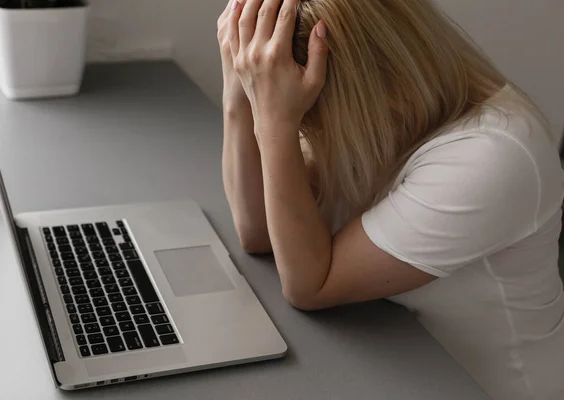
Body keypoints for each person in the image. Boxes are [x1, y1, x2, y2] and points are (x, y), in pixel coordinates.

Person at [217, 0, 564, 398]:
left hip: (483, 387)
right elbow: (257, 231)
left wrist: (275, 121)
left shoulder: (496, 157)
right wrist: (239, 89)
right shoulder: (374, 116)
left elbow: (310, 286)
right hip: (398, 363)